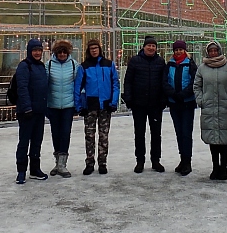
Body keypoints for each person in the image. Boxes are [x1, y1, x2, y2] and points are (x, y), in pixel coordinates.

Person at [122, 35, 167, 173]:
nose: (151, 48)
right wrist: (129, 99)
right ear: (144, 47)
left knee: (156, 134)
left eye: (153, 46)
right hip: (139, 104)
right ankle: (140, 160)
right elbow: (128, 81)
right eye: (149, 45)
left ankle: (155, 161)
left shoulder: (160, 62)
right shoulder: (135, 61)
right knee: (140, 133)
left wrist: (163, 99)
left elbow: (164, 82)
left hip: (155, 104)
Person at [193, 40, 227, 180]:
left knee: (223, 140)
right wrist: (201, 100)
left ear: (219, 51)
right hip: (209, 107)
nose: (213, 53)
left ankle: (223, 168)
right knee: (212, 139)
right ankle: (215, 167)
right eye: (211, 51)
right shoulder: (202, 68)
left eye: (215, 50)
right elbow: (197, 86)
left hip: (224, 107)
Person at [75, 38, 119, 175]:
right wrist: (78, 106)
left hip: (106, 105)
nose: (94, 50)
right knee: (89, 136)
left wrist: (114, 101)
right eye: (91, 48)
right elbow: (77, 87)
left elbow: (115, 84)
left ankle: (102, 162)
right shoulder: (84, 67)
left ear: (100, 49)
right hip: (90, 106)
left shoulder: (109, 64)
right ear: (88, 50)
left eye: (96, 48)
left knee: (103, 135)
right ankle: (89, 162)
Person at [15, 38, 50, 184]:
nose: (37, 53)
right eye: (35, 50)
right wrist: (27, 107)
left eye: (39, 50)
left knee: (37, 141)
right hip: (27, 112)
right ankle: (21, 171)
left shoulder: (41, 66)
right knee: (24, 142)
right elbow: (22, 88)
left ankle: (35, 169)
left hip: (39, 111)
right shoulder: (24, 66)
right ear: (29, 51)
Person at [164, 40, 197, 176]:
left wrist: (183, 94)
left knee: (186, 133)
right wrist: (172, 94)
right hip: (174, 103)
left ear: (184, 51)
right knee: (179, 132)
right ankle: (182, 159)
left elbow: (194, 81)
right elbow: (164, 81)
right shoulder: (169, 64)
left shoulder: (190, 64)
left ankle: (187, 161)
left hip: (187, 103)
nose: (178, 52)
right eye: (176, 49)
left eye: (180, 49)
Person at [46, 40, 78, 178]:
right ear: (55, 53)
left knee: (65, 133)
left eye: (65, 52)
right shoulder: (49, 65)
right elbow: (45, 84)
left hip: (68, 106)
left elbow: (78, 84)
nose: (62, 54)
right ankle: (57, 162)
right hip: (53, 105)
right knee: (55, 134)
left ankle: (62, 164)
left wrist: (78, 103)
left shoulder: (74, 65)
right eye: (60, 52)